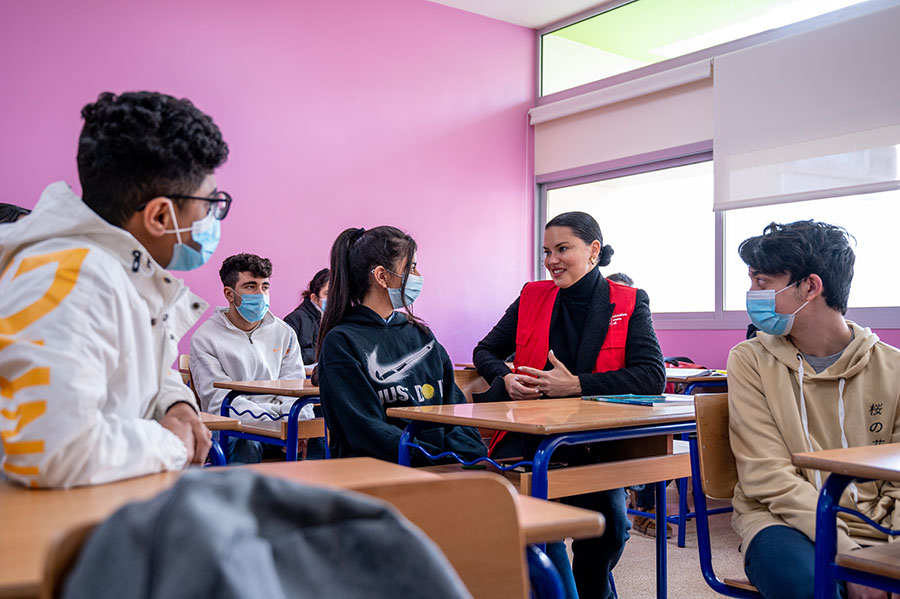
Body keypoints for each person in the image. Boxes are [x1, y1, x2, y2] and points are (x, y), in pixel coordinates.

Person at [0, 91, 228, 487]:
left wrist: (173, 404)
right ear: (160, 215)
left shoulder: (122, 271)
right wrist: (172, 443)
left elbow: (134, 370)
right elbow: (58, 451)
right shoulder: (77, 277)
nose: (212, 216)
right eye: (208, 203)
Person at [473, 211, 666, 599]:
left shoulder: (628, 301)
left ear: (593, 251)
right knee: (543, 531)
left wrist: (576, 384)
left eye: (563, 249)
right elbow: (486, 350)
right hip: (530, 438)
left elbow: (651, 375)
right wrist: (506, 376)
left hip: (593, 441)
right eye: (547, 251)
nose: (552, 261)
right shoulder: (532, 295)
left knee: (610, 527)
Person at [729, 220, 900, 599]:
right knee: (808, 587)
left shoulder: (894, 369)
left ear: (810, 286)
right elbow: (766, 475)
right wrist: (851, 557)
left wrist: (888, 555)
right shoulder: (750, 360)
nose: (751, 293)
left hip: (879, 523)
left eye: (762, 282)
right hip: (780, 522)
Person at [316, 226, 487, 464]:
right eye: (412, 267)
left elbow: (454, 408)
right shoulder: (342, 342)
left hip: (439, 467)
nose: (417, 276)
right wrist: (433, 459)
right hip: (383, 471)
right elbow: (366, 430)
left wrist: (468, 456)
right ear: (382, 276)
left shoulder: (421, 334)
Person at [190, 253, 314, 463]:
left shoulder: (284, 332)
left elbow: (294, 386)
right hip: (234, 425)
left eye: (264, 287)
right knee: (245, 443)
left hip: (284, 423)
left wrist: (301, 424)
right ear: (229, 294)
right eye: (250, 287)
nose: (260, 294)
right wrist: (278, 422)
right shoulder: (205, 338)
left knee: (323, 436)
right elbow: (221, 403)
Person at [284, 268, 329, 364]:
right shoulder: (294, 320)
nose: (333, 298)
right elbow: (287, 357)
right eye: (327, 293)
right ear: (314, 298)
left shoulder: (337, 319)